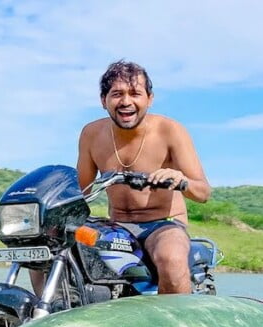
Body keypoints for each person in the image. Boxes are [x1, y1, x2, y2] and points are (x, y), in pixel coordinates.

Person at [76, 60, 211, 294]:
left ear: (149, 99)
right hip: (115, 225)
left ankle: (174, 326)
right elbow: (81, 191)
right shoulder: (91, 134)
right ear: (103, 100)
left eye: (135, 93)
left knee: (171, 259)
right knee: (50, 244)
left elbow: (203, 192)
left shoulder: (170, 130)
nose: (126, 101)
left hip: (163, 224)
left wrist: (181, 180)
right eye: (117, 94)